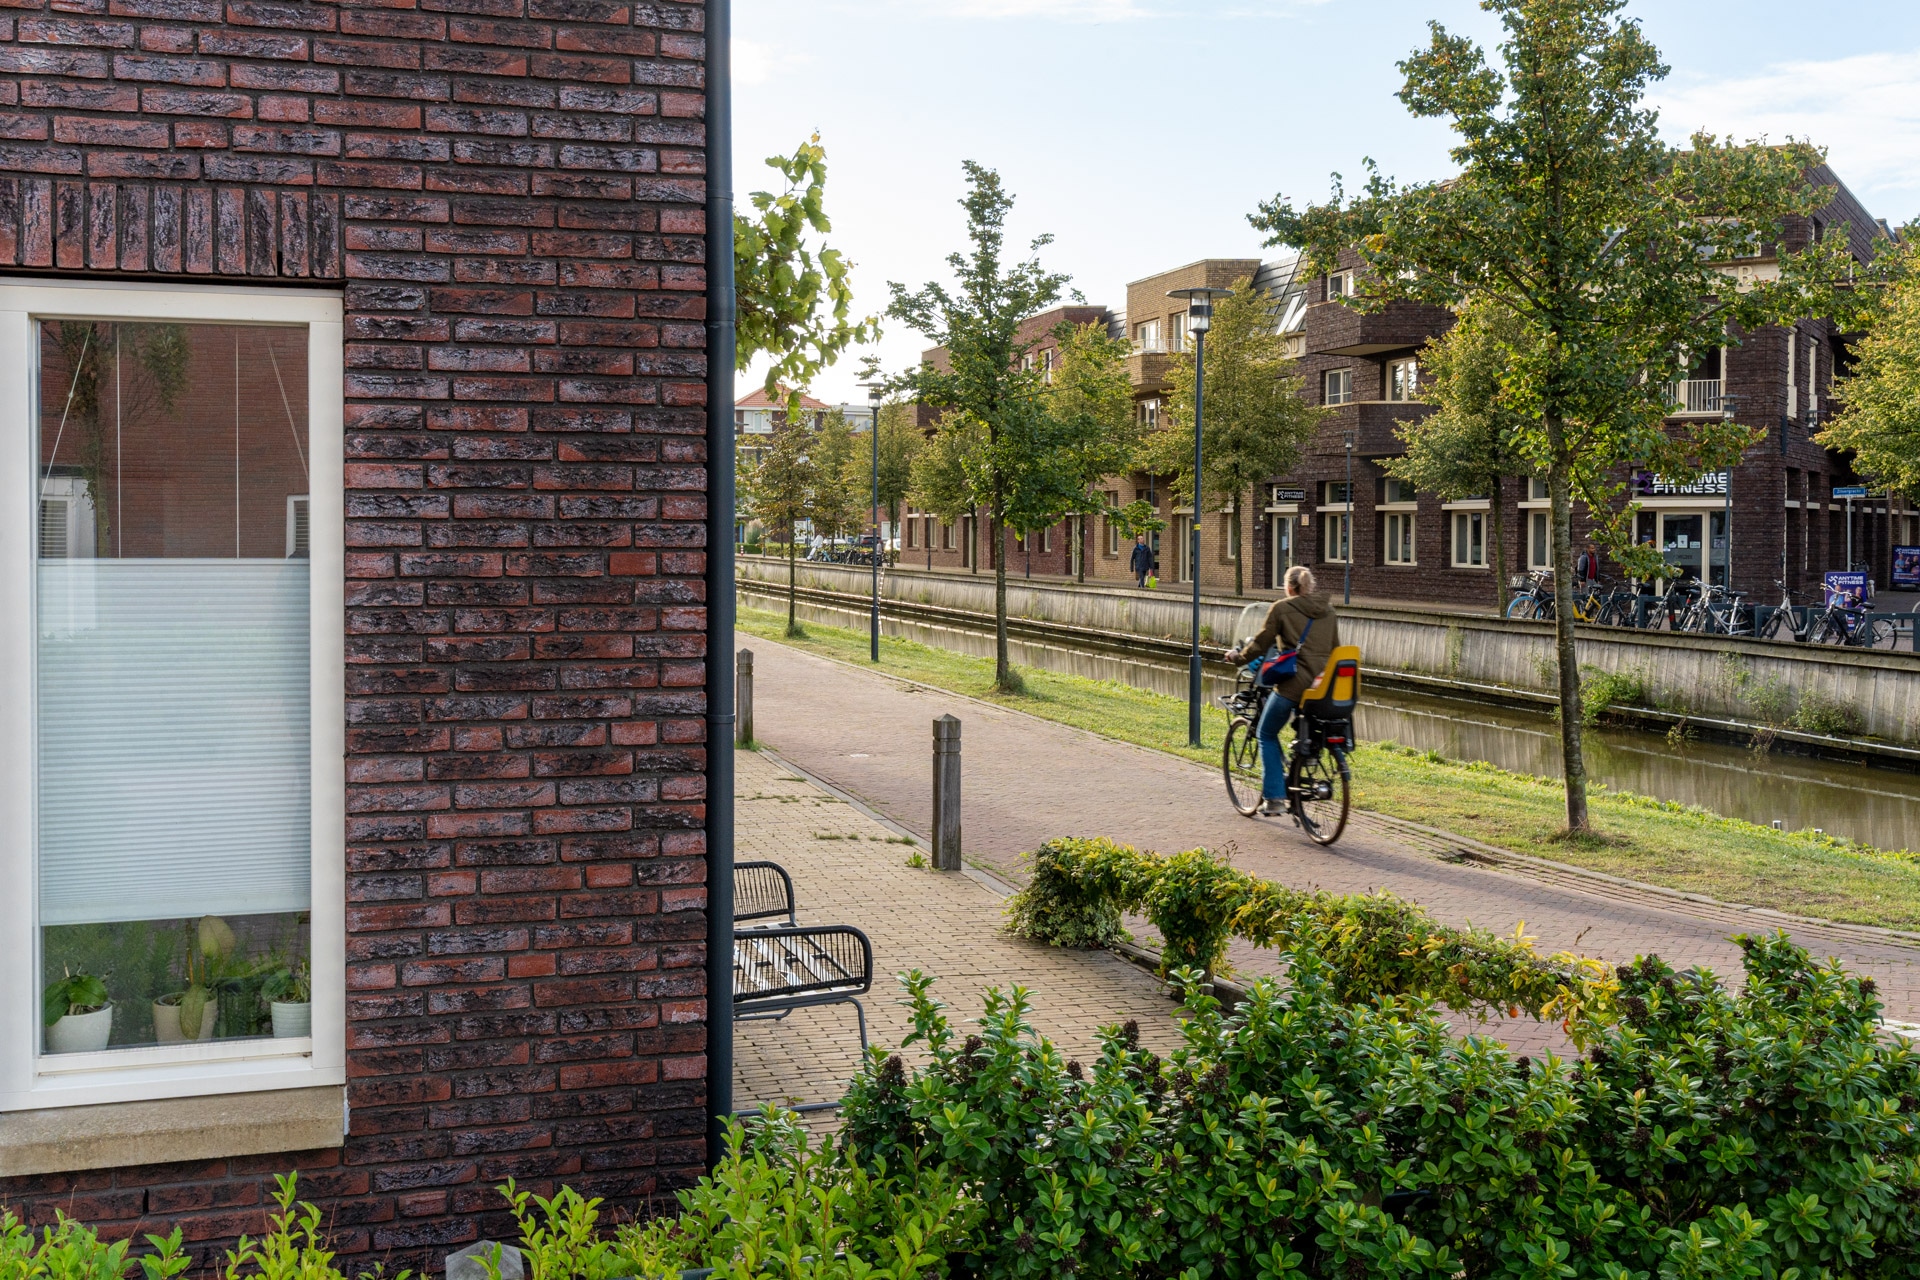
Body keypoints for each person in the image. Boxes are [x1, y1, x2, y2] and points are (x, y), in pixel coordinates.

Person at [1226, 565, 1338, 817]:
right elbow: (1336, 648)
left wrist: (1238, 657)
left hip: (1293, 685)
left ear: (1289, 587)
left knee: (1266, 732)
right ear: (1311, 587)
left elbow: (1261, 643)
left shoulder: (1282, 608)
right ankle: (1304, 763)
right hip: (1322, 686)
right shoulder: (1328, 611)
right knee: (1304, 730)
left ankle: (1275, 798)